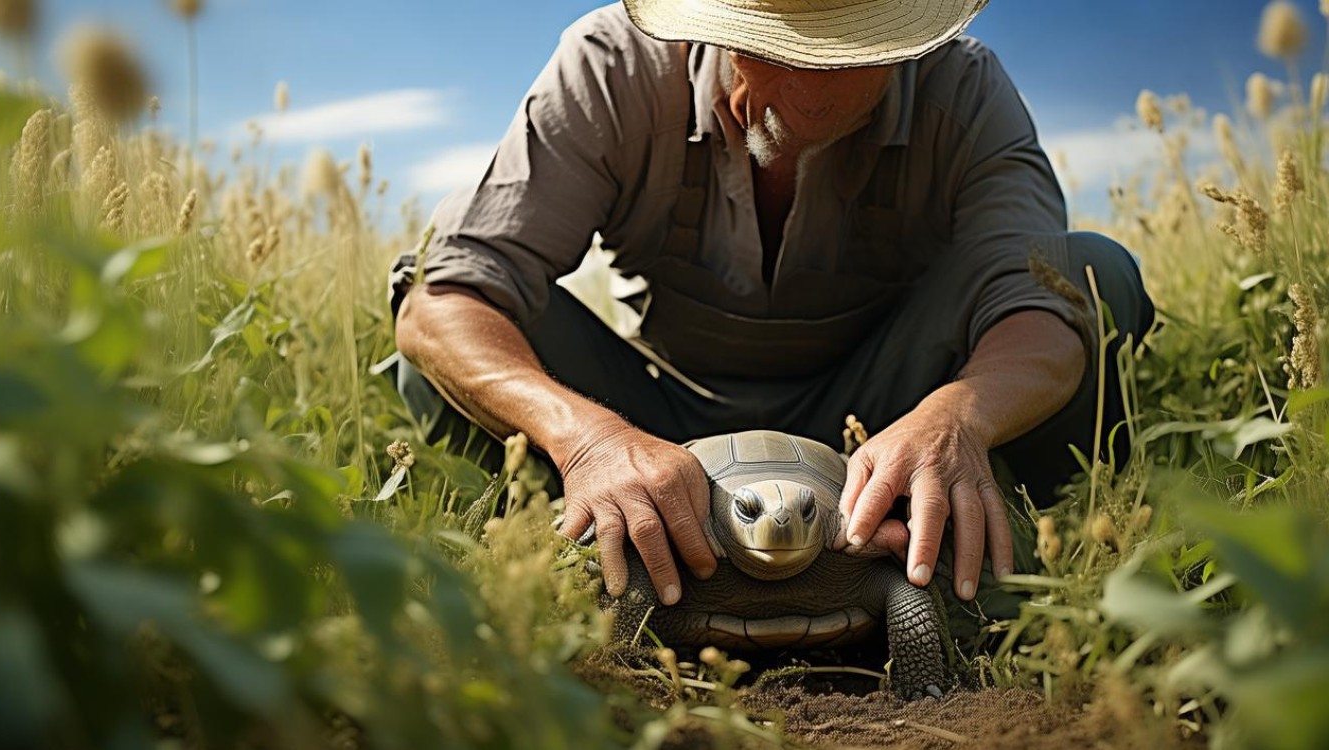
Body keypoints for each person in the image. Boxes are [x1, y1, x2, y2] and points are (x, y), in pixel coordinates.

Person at [387, 0, 1153, 618]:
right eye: (776, 45)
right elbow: (446, 297)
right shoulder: (611, 67)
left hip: (888, 423)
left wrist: (960, 418)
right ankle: (607, 544)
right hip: (657, 430)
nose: (811, 89)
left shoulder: (968, 90)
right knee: (448, 340)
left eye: (848, 52)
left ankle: (991, 550)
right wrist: (588, 440)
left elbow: (1036, 298)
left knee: (1091, 278)